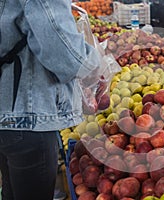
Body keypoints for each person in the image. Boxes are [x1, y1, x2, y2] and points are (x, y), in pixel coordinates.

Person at [0, 0, 103, 200]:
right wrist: (96, 66)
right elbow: (65, 52)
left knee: (12, 190)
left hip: (8, 108)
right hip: (28, 114)